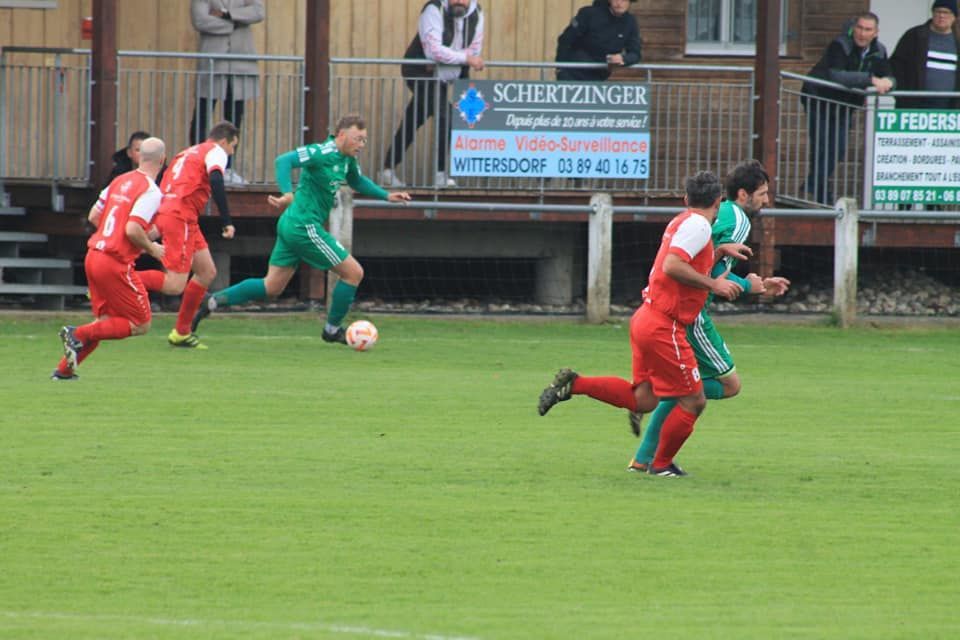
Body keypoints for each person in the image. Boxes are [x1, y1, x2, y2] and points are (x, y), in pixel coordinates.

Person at [537, 171, 750, 477]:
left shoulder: (683, 221)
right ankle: (660, 466)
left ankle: (575, 384)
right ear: (719, 200)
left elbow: (680, 262)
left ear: (686, 199)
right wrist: (713, 285)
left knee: (644, 399)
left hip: (646, 318)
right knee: (694, 400)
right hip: (665, 325)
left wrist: (718, 252)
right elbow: (672, 266)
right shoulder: (700, 225)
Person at [190, 115, 411, 344]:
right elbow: (283, 161)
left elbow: (357, 181)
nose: (361, 145)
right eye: (358, 139)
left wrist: (386, 195)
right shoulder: (320, 152)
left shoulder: (347, 159)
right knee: (354, 273)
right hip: (303, 226)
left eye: (364, 140)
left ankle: (212, 301)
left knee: (272, 285)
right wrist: (287, 192)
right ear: (342, 135)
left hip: (292, 223)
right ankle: (332, 330)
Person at [629, 160, 791, 472]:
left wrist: (752, 284)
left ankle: (645, 457)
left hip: (677, 308)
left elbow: (711, 255)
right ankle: (652, 451)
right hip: (692, 314)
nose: (767, 200)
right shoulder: (737, 220)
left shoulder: (725, 215)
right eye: (763, 193)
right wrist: (746, 286)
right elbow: (706, 263)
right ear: (743, 195)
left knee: (691, 387)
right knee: (727, 386)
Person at [53, 137, 167, 380]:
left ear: (139, 157)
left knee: (104, 322)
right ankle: (77, 333)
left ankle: (63, 372)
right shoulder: (150, 190)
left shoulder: (119, 180)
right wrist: (152, 248)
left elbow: (95, 215)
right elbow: (132, 230)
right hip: (114, 262)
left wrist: (113, 235)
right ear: (162, 161)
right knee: (140, 323)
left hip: (94, 256)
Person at [137, 121, 239, 349]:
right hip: (179, 215)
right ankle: (114, 281)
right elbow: (215, 179)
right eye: (233, 146)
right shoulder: (216, 151)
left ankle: (181, 332)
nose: (232, 152)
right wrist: (227, 221)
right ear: (224, 141)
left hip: (175, 212)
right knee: (174, 284)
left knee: (206, 272)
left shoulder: (187, 152)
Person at [380, 0, 485, 189]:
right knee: (446, 117)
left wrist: (456, 58)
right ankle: (440, 175)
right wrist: (463, 58)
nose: (459, 2)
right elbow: (434, 51)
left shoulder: (477, 13)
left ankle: (387, 170)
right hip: (419, 72)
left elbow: (474, 50)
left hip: (442, 77)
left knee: (414, 119)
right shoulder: (433, 9)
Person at [800, 12, 894, 205]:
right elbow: (837, 76)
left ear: (875, 33)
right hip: (819, 98)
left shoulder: (879, 50)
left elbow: (890, 75)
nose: (862, 33)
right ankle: (820, 192)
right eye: (859, 28)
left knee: (839, 149)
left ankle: (812, 183)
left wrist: (888, 82)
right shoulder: (840, 45)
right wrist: (870, 80)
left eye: (867, 29)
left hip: (845, 105)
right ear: (853, 28)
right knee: (822, 147)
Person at [189, 0, 265, 185]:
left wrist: (226, 15)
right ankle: (197, 165)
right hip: (212, 62)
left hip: (240, 64)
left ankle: (227, 167)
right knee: (202, 115)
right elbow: (200, 20)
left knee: (234, 119)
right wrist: (237, 22)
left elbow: (258, 12)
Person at [890, 0, 960, 110]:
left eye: (946, 12)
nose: (941, 16)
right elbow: (896, 65)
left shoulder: (957, 41)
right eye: (938, 11)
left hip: (949, 107)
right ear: (932, 13)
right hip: (915, 105)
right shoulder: (914, 36)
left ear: (954, 17)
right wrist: (902, 96)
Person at [555, 0, 642, 82]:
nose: (619, 3)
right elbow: (565, 40)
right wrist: (560, 68)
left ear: (630, 2)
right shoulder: (589, 14)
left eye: (624, 0)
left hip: (598, 77)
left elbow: (635, 53)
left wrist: (623, 59)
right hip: (572, 73)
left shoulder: (630, 22)